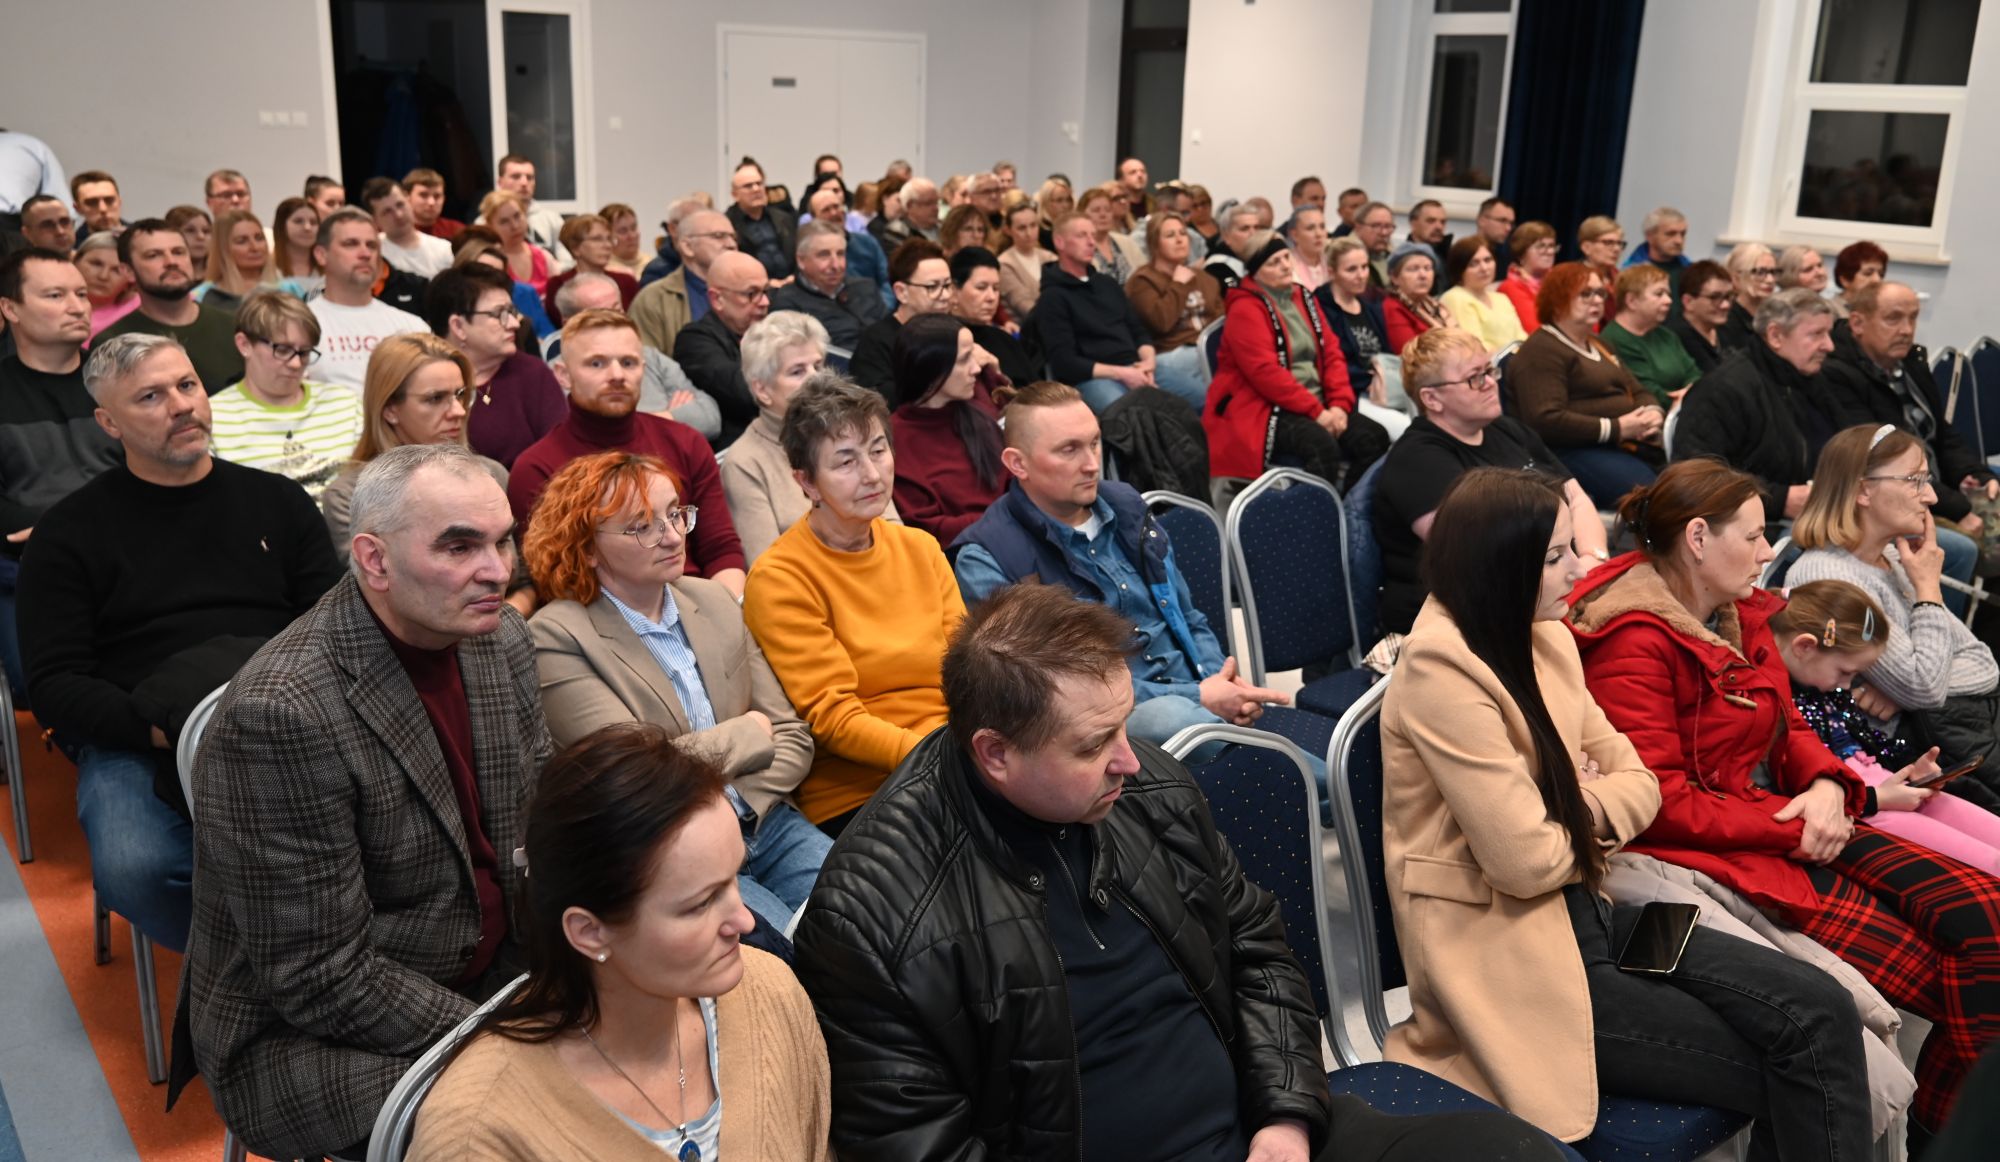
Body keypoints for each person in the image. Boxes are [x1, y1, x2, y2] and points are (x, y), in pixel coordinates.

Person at [794, 580, 1565, 1162]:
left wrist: (1285, 1118)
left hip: (1259, 1132)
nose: (1129, 760)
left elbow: (1259, 951)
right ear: (995, 753)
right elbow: (919, 1144)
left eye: (1124, 725)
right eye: (1092, 745)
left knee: (1516, 1153)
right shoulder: (875, 915)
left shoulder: (1148, 789)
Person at [1384, 467, 1872, 1155]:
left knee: (1821, 1006)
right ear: (1500, 565)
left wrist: (1570, 803)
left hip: (1591, 910)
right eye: (1554, 557)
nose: (1579, 569)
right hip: (1513, 953)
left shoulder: (1547, 635)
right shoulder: (1442, 669)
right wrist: (1590, 796)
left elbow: (1642, 783)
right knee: (1801, 1060)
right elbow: (1525, 864)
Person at [1567, 456, 2000, 1139]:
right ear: (1699, 539)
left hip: (1778, 821)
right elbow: (1661, 802)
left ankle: (1955, 1131)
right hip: (1718, 849)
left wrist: (1829, 783)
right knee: (1958, 967)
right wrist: (1796, 823)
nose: (1769, 550)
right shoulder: (1633, 641)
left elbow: (1788, 725)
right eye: (1753, 536)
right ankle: (1955, 1136)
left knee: (1986, 912)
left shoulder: (1737, 611)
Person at [180, 442, 550, 1159]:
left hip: (495, 963)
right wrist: (513, 1036)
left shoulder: (498, 637)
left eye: (503, 541)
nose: (497, 570)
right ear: (374, 560)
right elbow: (320, 977)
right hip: (313, 1036)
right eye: (459, 546)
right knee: (536, 1127)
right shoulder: (282, 713)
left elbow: (538, 823)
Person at [20, 333, 343, 957]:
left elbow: (331, 627)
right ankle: (255, 975)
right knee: (139, 867)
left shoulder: (277, 501)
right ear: (108, 423)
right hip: (143, 736)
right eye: (150, 397)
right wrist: (166, 732)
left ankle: (303, 962)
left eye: (187, 385)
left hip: (285, 715)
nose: (181, 405)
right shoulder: (68, 533)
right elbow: (55, 683)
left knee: (390, 831)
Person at [404, 723, 831, 1161]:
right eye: (700, 904)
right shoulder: (479, 1138)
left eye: (733, 879)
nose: (744, 920)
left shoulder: (770, 994)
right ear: (589, 932)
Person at [522, 454, 827, 929]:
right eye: (642, 526)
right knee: (780, 952)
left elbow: (790, 733)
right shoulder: (556, 637)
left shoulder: (713, 599)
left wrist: (739, 793)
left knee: (870, 913)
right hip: (671, 849)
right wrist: (749, 733)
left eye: (676, 514)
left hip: (766, 819)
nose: (671, 536)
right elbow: (635, 778)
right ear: (587, 548)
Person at [953, 380, 1290, 744]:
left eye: (1094, 443)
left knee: (1266, 752)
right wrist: (1201, 696)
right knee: (1177, 719)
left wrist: (1220, 684)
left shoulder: (1128, 508)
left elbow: (1188, 617)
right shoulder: (988, 556)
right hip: (1108, 725)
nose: (1091, 464)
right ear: (1018, 463)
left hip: (1197, 702)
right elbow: (1055, 686)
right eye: (1069, 449)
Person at [742, 379, 965, 836]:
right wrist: (942, 755)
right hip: (859, 791)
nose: (872, 474)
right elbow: (835, 717)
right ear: (806, 482)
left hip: (956, 752)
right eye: (846, 461)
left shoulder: (920, 547)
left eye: (878, 451)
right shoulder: (781, 576)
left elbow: (967, 666)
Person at [1785, 424, 2000, 806]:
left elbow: (1983, 663)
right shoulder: (1829, 575)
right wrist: (1929, 590)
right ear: (1863, 490)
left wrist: (1901, 691)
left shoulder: (1889, 558)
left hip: (1952, 728)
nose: (1931, 496)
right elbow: (1924, 686)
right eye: (1915, 481)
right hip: (1904, 758)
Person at [1374, 327, 1605, 637]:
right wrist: (1574, 574)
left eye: (1489, 371)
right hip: (1470, 620)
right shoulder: (1417, 460)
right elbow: (1480, 553)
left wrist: (1592, 559)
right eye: (1474, 378)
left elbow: (1575, 498)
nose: (1490, 383)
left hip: (1551, 593)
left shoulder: (1508, 429)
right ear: (1432, 398)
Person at [509, 310, 746, 596]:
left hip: (699, 600)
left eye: (628, 362)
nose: (617, 375)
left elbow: (721, 550)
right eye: (597, 363)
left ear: (642, 369)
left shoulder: (686, 442)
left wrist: (724, 611)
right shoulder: (537, 467)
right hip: (597, 615)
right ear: (563, 374)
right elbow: (555, 580)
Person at [1776, 579, 2000, 870]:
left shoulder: (1823, 689)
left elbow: (1869, 743)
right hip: (1861, 808)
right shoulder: (1776, 703)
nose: (1847, 685)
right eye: (1845, 672)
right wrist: (1876, 798)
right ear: (1804, 647)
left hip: (1887, 786)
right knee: (1990, 864)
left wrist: (1912, 769)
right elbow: (1798, 787)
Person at [0, 249, 123, 696]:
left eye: (82, 294)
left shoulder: (124, 383)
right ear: (10, 308)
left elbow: (160, 469)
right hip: (27, 568)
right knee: (45, 686)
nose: (77, 307)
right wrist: (58, 535)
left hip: (132, 553)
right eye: (55, 295)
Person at [1205, 233, 1390, 490]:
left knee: (1374, 437)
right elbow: (1265, 375)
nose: (1285, 266)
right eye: (1274, 262)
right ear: (1256, 272)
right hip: (1267, 407)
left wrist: (1339, 405)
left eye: (1286, 257)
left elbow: (1332, 352)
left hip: (1317, 400)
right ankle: (1311, 514)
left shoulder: (1302, 296)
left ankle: (1348, 508)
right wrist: (1318, 412)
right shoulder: (1245, 309)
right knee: (1322, 447)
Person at [1822, 282, 1997, 543]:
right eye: (1893, 319)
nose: (1906, 330)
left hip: (1936, 488)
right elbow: (1885, 459)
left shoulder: (1912, 365)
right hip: (1894, 499)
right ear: (1858, 323)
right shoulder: (1838, 375)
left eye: (1913, 318)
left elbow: (1943, 434)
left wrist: (1975, 475)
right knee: (1971, 546)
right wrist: (1959, 508)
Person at [1674, 288, 1859, 528]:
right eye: (1817, 334)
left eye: (1829, 334)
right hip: (1760, 526)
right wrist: (1779, 499)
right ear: (1775, 336)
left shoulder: (1813, 379)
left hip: (1824, 515)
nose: (1829, 346)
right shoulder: (1723, 390)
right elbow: (1696, 477)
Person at [320, 332, 510, 560]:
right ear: (390, 409)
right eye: (435, 398)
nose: (458, 411)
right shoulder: (348, 497)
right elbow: (372, 579)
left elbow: (520, 575)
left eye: (461, 395)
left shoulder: (491, 475)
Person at [724, 320, 903, 561]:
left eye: (818, 365)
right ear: (762, 390)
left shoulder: (853, 433)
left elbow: (893, 530)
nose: (815, 378)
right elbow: (766, 561)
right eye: (797, 371)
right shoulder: (743, 462)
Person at [1509, 263, 1662, 507]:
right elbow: (1545, 419)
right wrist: (1616, 428)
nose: (1597, 300)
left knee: (1683, 486)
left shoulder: (1599, 344)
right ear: (1557, 299)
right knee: (1654, 500)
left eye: (1600, 293)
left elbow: (1638, 390)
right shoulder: (1542, 349)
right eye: (1585, 294)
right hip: (1571, 451)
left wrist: (1652, 412)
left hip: (1624, 443)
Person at [1040, 213, 1207, 415]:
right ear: (1059, 242)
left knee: (1204, 397)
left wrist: (1148, 362)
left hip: (1136, 366)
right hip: (1093, 378)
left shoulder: (1107, 284)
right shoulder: (1052, 297)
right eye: (1082, 235)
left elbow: (1138, 330)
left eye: (1093, 235)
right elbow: (1065, 363)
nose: (1091, 242)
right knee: (1131, 417)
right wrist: (1123, 373)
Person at [212, 290, 363, 500]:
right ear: (244, 344)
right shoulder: (213, 417)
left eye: (304, 352)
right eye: (283, 350)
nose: (296, 363)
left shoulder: (346, 404)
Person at [549, 274, 721, 441]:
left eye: (617, 310)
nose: (614, 321)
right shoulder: (559, 374)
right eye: (599, 316)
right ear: (568, 324)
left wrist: (660, 419)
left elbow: (710, 417)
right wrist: (673, 418)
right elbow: (604, 433)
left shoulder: (649, 357)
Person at [426, 263, 566, 467]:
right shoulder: (422, 383)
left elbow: (559, 459)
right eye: (500, 314)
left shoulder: (532, 374)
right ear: (458, 326)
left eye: (512, 312)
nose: (514, 324)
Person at [889, 314, 1007, 542]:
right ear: (931, 368)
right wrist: (1004, 518)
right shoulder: (896, 440)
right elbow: (925, 528)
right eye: (964, 359)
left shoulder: (978, 410)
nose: (976, 368)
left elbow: (1017, 481)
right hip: (961, 551)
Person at [97, 219, 244, 392]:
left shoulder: (234, 326)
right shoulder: (112, 344)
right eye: (153, 255)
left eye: (178, 252)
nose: (171, 261)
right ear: (128, 271)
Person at [306, 208, 428, 391]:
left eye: (371, 245)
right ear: (321, 255)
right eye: (351, 244)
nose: (365, 253)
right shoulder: (299, 325)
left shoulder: (412, 327)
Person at [672, 250, 771, 447]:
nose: (765, 302)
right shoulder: (694, 341)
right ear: (717, 299)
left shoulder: (771, 328)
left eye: (766, 291)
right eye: (751, 294)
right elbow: (747, 393)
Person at [847, 238, 952, 395]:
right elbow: (878, 400)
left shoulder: (957, 333)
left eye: (947, 285)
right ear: (901, 292)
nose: (945, 295)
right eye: (932, 287)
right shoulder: (876, 343)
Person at [632, 207, 737, 358]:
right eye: (718, 236)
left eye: (733, 237)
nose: (731, 244)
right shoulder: (653, 299)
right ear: (687, 247)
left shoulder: (755, 293)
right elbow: (648, 363)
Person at [769, 220, 888, 350]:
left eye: (840, 254)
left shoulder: (865, 287)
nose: (836, 265)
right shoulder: (788, 303)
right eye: (824, 255)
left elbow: (890, 334)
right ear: (801, 260)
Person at [1126, 210, 1223, 368]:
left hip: (1207, 349)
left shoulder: (1205, 278)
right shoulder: (1142, 281)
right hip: (1171, 354)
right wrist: (1178, 285)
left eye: (1183, 233)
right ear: (1154, 243)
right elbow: (1161, 323)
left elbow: (1220, 322)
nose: (1179, 240)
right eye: (1170, 235)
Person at [1601, 265, 1701, 409]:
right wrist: (1689, 398)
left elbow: (1694, 373)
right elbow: (1647, 391)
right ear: (1631, 301)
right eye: (1659, 294)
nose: (1668, 301)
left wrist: (1690, 393)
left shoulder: (1665, 335)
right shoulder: (1615, 339)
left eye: (1668, 294)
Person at [1315, 236, 1396, 406]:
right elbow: (1332, 362)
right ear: (1331, 272)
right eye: (1351, 269)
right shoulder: (1320, 307)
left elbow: (1387, 352)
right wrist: (1370, 380)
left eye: (1364, 267)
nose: (1361, 275)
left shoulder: (1370, 305)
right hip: (1351, 391)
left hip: (1382, 385)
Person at [949, 247, 1037, 384]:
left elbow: (1036, 388)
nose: (991, 297)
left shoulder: (1005, 340)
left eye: (995, 288)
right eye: (981, 287)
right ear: (954, 291)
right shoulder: (946, 343)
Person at [542, 213, 639, 325]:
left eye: (609, 238)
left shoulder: (627, 282)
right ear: (575, 248)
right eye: (597, 239)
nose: (607, 245)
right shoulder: (559, 285)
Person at [801, 183, 892, 304]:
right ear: (814, 218)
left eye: (836, 207)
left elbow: (886, 280)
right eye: (826, 210)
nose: (834, 213)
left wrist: (883, 305)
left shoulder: (868, 243)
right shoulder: (809, 250)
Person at [1438, 237, 1526, 353]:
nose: (1484, 268)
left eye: (1488, 260)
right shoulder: (1455, 297)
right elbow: (1475, 346)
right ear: (1460, 268)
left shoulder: (1501, 298)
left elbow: (1521, 337)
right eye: (1474, 264)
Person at [193, 209, 286, 315]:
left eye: (259, 238)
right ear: (223, 249)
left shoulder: (289, 288)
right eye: (242, 241)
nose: (255, 247)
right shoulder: (200, 296)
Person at [364, 177, 454, 279]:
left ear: (408, 200)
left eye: (400, 205)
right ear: (375, 220)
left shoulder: (444, 249)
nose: (399, 215)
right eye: (387, 211)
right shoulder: (371, 255)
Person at [726, 159, 796, 281]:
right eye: (748, 186)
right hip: (752, 287)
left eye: (759, 183)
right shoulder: (728, 224)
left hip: (791, 284)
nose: (756, 189)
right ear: (735, 195)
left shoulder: (784, 218)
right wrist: (766, 283)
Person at [1381, 242, 1453, 355]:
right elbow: (1410, 355)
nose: (1423, 275)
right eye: (1413, 269)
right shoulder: (1392, 307)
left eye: (1428, 268)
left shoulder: (1434, 305)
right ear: (1394, 277)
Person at [496, 153, 569, 264]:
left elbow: (568, 261)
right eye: (516, 176)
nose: (524, 183)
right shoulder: (486, 221)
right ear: (500, 182)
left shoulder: (552, 219)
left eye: (529, 177)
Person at [482, 189, 556, 297]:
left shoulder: (544, 257)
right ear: (490, 226)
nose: (515, 226)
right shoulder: (489, 263)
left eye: (517, 216)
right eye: (504, 221)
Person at [1668, 259, 1733, 376]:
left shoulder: (1725, 328)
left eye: (1728, 296)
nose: (1725, 305)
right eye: (1714, 297)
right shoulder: (1675, 338)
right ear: (1688, 302)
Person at [1075, 185, 1145, 287]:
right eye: (1096, 210)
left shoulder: (1127, 243)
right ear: (1082, 214)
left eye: (1108, 210)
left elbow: (1144, 275)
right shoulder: (1077, 247)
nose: (1103, 215)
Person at [74, 230, 139, 337]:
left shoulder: (141, 311)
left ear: (130, 279)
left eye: (116, 270)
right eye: (96, 264)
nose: (103, 276)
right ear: (75, 262)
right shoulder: (48, 302)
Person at [1495, 220, 1557, 333]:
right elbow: (1534, 329)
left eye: (1551, 246)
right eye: (1541, 246)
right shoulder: (1510, 288)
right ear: (1522, 253)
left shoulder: (1560, 283)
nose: (1549, 252)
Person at [1621, 207, 1691, 304]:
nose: (1679, 241)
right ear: (1649, 236)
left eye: (1683, 234)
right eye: (1670, 234)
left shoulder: (1690, 271)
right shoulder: (1631, 272)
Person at [1718, 243, 1778, 352]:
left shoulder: (1776, 315)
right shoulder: (1725, 319)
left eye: (1773, 272)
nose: (1770, 280)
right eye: (1760, 272)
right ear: (1736, 278)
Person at [1200, 202, 1263, 293]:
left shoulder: (1260, 257)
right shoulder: (1217, 267)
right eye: (1245, 229)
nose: (1253, 234)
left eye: (1257, 228)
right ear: (1226, 236)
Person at [270, 196, 322, 289]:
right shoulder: (267, 267)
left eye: (313, 222)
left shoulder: (330, 267)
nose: (307, 227)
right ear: (281, 226)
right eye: (298, 221)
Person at [404, 167, 466, 241]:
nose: (431, 202)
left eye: (437, 196)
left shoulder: (458, 231)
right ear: (406, 197)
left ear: (444, 198)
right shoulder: (397, 233)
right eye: (424, 195)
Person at [1575, 217, 1626, 302]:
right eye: (1608, 242)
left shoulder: (1622, 279)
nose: (1617, 249)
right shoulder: (1573, 279)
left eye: (1619, 243)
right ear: (1586, 247)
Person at [1406, 200, 1453, 284]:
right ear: (1413, 224)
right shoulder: (1403, 259)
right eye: (1431, 221)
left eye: (1443, 222)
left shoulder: (1450, 255)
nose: (1439, 227)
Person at [1354, 201, 1398, 291]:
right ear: (1358, 228)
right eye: (1376, 226)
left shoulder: (1395, 257)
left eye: (1388, 226)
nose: (1384, 233)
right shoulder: (1343, 256)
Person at [1288, 205, 1332, 291]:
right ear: (1294, 235)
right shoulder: (1287, 265)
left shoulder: (1333, 257)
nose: (1319, 234)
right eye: (1310, 228)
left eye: (1322, 227)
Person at [1835, 241, 1889, 312]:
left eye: (1881, 274)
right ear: (1845, 280)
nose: (1877, 280)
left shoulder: (1878, 310)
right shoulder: (1829, 311)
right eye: (1868, 273)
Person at [164, 205, 214, 281]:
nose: (201, 237)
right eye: (190, 230)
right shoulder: (162, 279)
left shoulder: (224, 278)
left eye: (206, 231)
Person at [599, 201, 647, 279]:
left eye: (634, 228)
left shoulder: (653, 265)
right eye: (623, 231)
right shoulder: (603, 271)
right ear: (607, 237)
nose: (632, 236)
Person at [71, 169, 125, 237]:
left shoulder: (137, 236)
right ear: (78, 208)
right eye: (92, 202)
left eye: (109, 200)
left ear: (119, 202)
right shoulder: (72, 243)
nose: (103, 209)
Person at [1472, 196, 1516, 272]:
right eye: (1502, 220)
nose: (1508, 228)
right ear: (1482, 220)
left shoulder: (1506, 263)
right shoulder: (1461, 255)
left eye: (1511, 223)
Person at [1114, 155, 1152, 219]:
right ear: (1121, 180)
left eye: (1143, 171)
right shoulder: (1114, 206)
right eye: (1133, 172)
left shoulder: (1154, 204)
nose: (1140, 175)